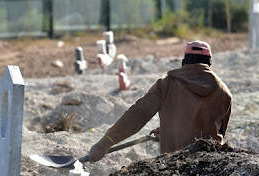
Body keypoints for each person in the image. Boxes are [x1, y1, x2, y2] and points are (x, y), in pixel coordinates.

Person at [87, 40, 232, 162]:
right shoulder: (224, 91)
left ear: (184, 61)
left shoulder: (167, 84)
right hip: (210, 165)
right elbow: (215, 131)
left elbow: (137, 115)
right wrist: (169, 130)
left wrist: (103, 145)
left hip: (173, 165)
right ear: (209, 62)